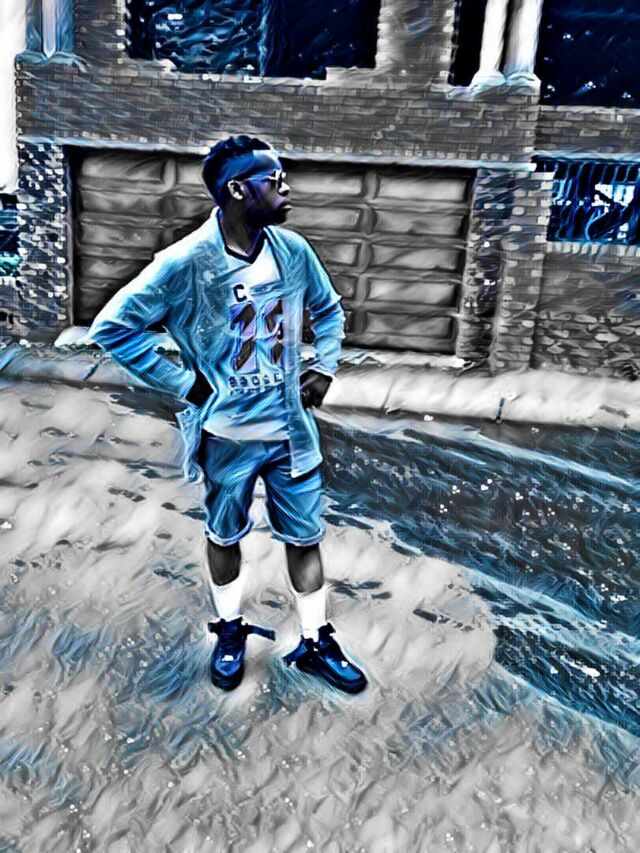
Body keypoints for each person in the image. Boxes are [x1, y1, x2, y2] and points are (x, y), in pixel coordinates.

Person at [89, 135, 367, 694]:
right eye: (274, 180)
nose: (286, 188)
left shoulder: (292, 250)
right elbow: (113, 328)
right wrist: (185, 384)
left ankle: (315, 640)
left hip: (291, 433)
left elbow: (329, 310)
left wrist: (325, 365)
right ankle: (230, 629)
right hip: (226, 435)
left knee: (304, 537)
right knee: (223, 535)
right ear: (238, 190)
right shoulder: (186, 262)